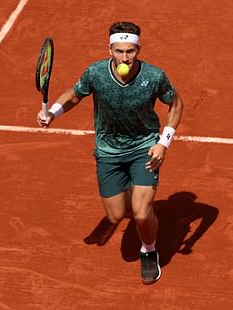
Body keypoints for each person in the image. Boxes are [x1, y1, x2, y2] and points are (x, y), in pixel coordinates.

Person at [37, 21, 183, 284]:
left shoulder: (154, 76)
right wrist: (53, 113)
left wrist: (164, 142)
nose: (124, 57)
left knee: (139, 213)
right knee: (117, 215)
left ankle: (149, 251)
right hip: (108, 150)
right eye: (119, 51)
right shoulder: (96, 73)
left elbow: (175, 102)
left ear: (139, 49)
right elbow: (74, 94)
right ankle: (137, 195)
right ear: (110, 49)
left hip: (143, 147)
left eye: (130, 51)